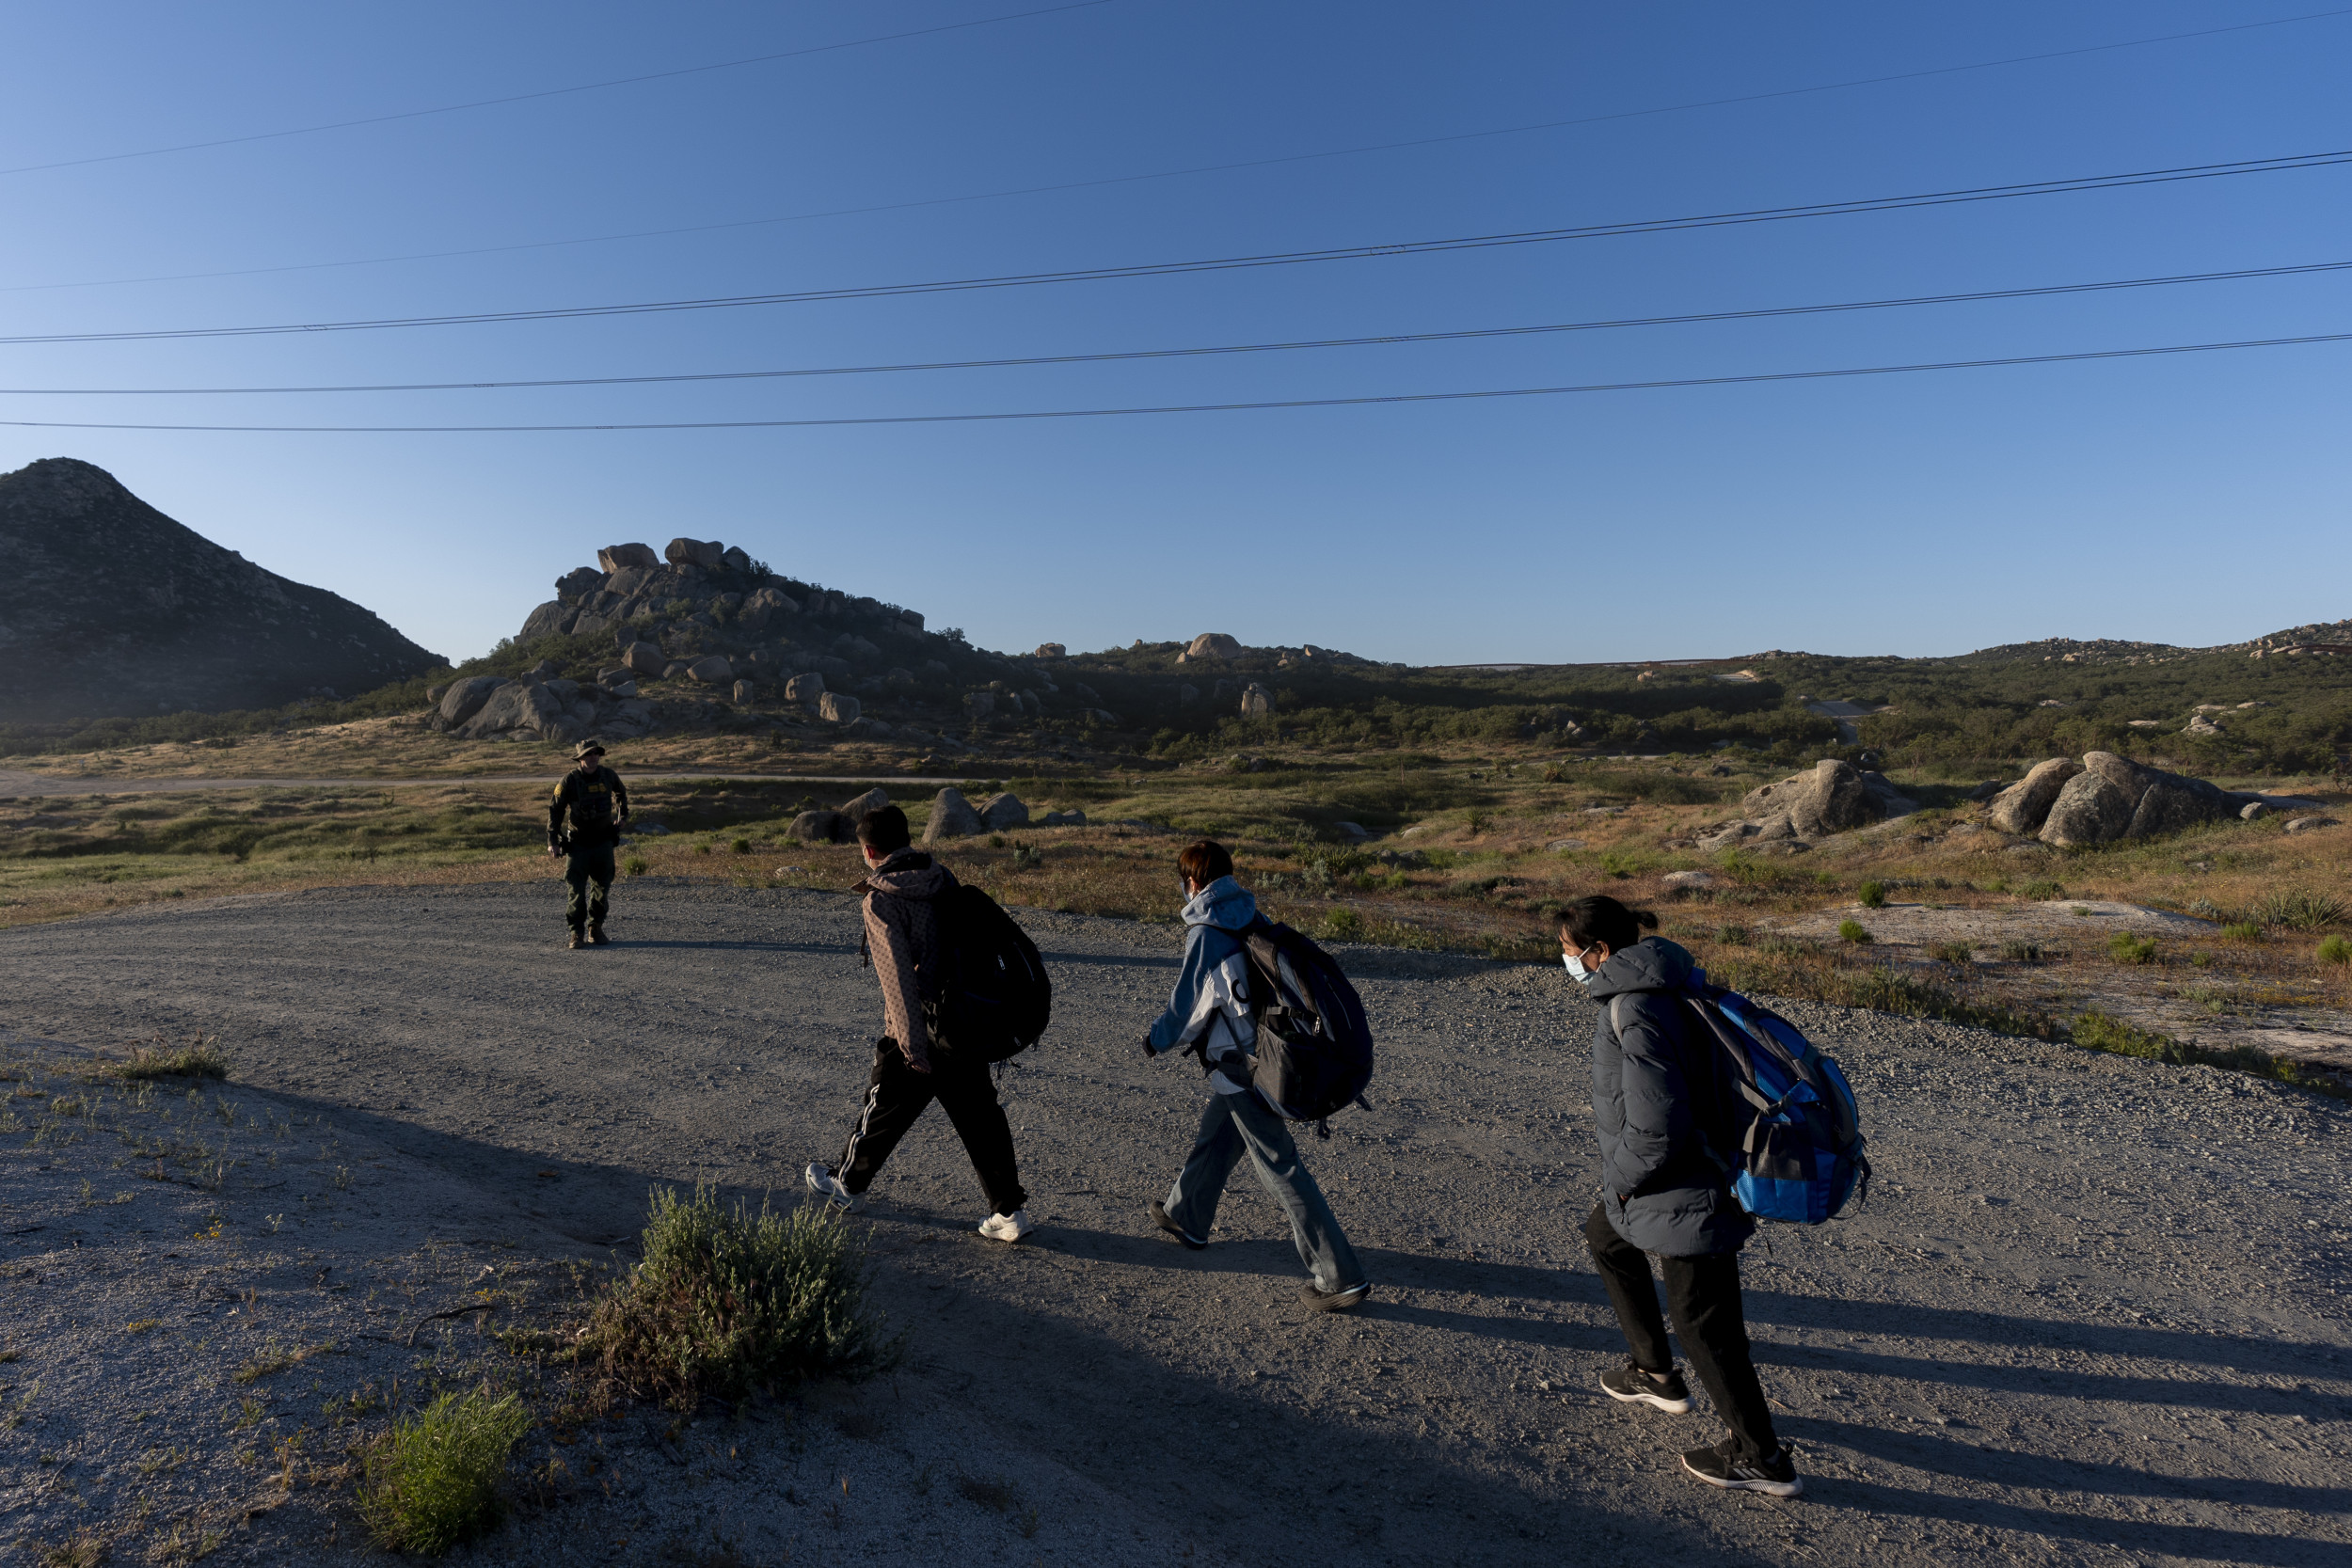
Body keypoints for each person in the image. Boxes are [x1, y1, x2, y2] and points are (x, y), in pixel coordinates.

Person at [1563, 894, 1802, 1497]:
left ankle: (1763, 1457)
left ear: (1600, 952)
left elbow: (1656, 1125)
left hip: (1684, 1184)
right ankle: (1654, 1371)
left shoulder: (1634, 1009)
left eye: (1568, 951)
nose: (1565, 961)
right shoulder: (1672, 982)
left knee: (1705, 1327)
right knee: (1605, 1237)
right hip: (1677, 1172)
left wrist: (1621, 1176)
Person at [1144, 840, 1369, 1311]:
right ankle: (1186, 1216)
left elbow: (1187, 1011)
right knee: (1219, 1133)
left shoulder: (1206, 932)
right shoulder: (1252, 915)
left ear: (1191, 884)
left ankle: (1339, 1276)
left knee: (1281, 1168)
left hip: (1246, 1066)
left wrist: (1156, 1040)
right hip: (1267, 1055)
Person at [804, 806, 1035, 1243]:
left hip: (919, 1027)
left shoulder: (880, 898)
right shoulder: (941, 877)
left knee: (885, 1102)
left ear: (869, 850)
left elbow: (896, 977)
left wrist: (911, 1046)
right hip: (962, 1023)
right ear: (907, 840)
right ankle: (1009, 1211)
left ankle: (848, 1185)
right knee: (980, 1118)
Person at [547, 738, 629, 950]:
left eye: (596, 753)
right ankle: (576, 933)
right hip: (578, 843)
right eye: (588, 754)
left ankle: (596, 927)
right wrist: (552, 841)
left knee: (602, 886)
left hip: (603, 841)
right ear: (580, 758)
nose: (593, 757)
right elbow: (555, 810)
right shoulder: (569, 781)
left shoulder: (608, 775)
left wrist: (622, 817)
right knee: (575, 888)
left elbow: (621, 794)